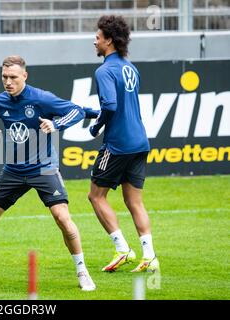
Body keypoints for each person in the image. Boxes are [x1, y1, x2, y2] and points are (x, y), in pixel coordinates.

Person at [0, 55, 98, 291]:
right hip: (13, 169)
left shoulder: (41, 98)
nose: (8, 82)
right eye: (4, 77)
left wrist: (56, 125)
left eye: (13, 77)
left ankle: (82, 271)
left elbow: (76, 111)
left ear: (24, 76)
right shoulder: (0, 101)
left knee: (62, 217)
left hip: (43, 168)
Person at [87, 15, 159, 273]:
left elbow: (109, 105)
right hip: (140, 141)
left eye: (97, 37)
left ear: (109, 40)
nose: (94, 41)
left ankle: (122, 249)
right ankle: (149, 256)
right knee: (134, 202)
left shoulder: (104, 70)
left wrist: (96, 126)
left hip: (117, 144)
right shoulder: (131, 67)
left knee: (95, 196)